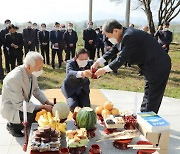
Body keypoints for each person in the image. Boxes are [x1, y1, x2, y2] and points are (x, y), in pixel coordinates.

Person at [91, 20, 171, 114]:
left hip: (158, 65)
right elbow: (115, 49)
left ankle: (148, 119)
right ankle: (144, 114)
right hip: (149, 65)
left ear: (115, 31)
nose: (108, 39)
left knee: (153, 95)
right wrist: (98, 62)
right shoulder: (125, 34)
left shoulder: (129, 36)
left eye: (108, 36)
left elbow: (121, 58)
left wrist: (104, 70)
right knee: (148, 92)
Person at [1, 52, 54, 137]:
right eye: (39, 68)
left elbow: (36, 90)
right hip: (13, 108)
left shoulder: (31, 72)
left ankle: (24, 122)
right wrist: (42, 106)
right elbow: (20, 104)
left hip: (23, 104)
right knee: (35, 114)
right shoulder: (13, 79)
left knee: (39, 114)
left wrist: (47, 102)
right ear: (29, 67)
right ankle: (13, 126)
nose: (41, 70)